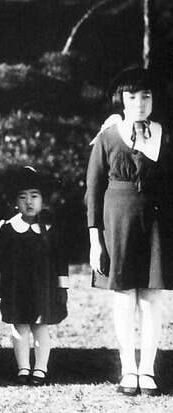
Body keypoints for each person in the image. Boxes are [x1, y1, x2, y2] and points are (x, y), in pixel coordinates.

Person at [85, 67, 173, 397]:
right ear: (121, 99)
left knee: (151, 299)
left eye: (145, 96)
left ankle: (147, 369)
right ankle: (128, 369)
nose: (139, 103)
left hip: (156, 226)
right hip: (117, 225)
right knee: (123, 298)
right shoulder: (108, 136)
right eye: (131, 96)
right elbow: (93, 190)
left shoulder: (165, 135)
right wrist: (95, 240)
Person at [0, 166, 68, 386]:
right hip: (16, 288)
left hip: (44, 288)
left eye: (34, 196)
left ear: (43, 200)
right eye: (23, 197)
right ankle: (23, 367)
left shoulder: (50, 229)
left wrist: (62, 287)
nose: (29, 202)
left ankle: (41, 368)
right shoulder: (8, 228)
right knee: (19, 326)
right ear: (15, 202)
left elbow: (61, 262)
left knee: (40, 326)